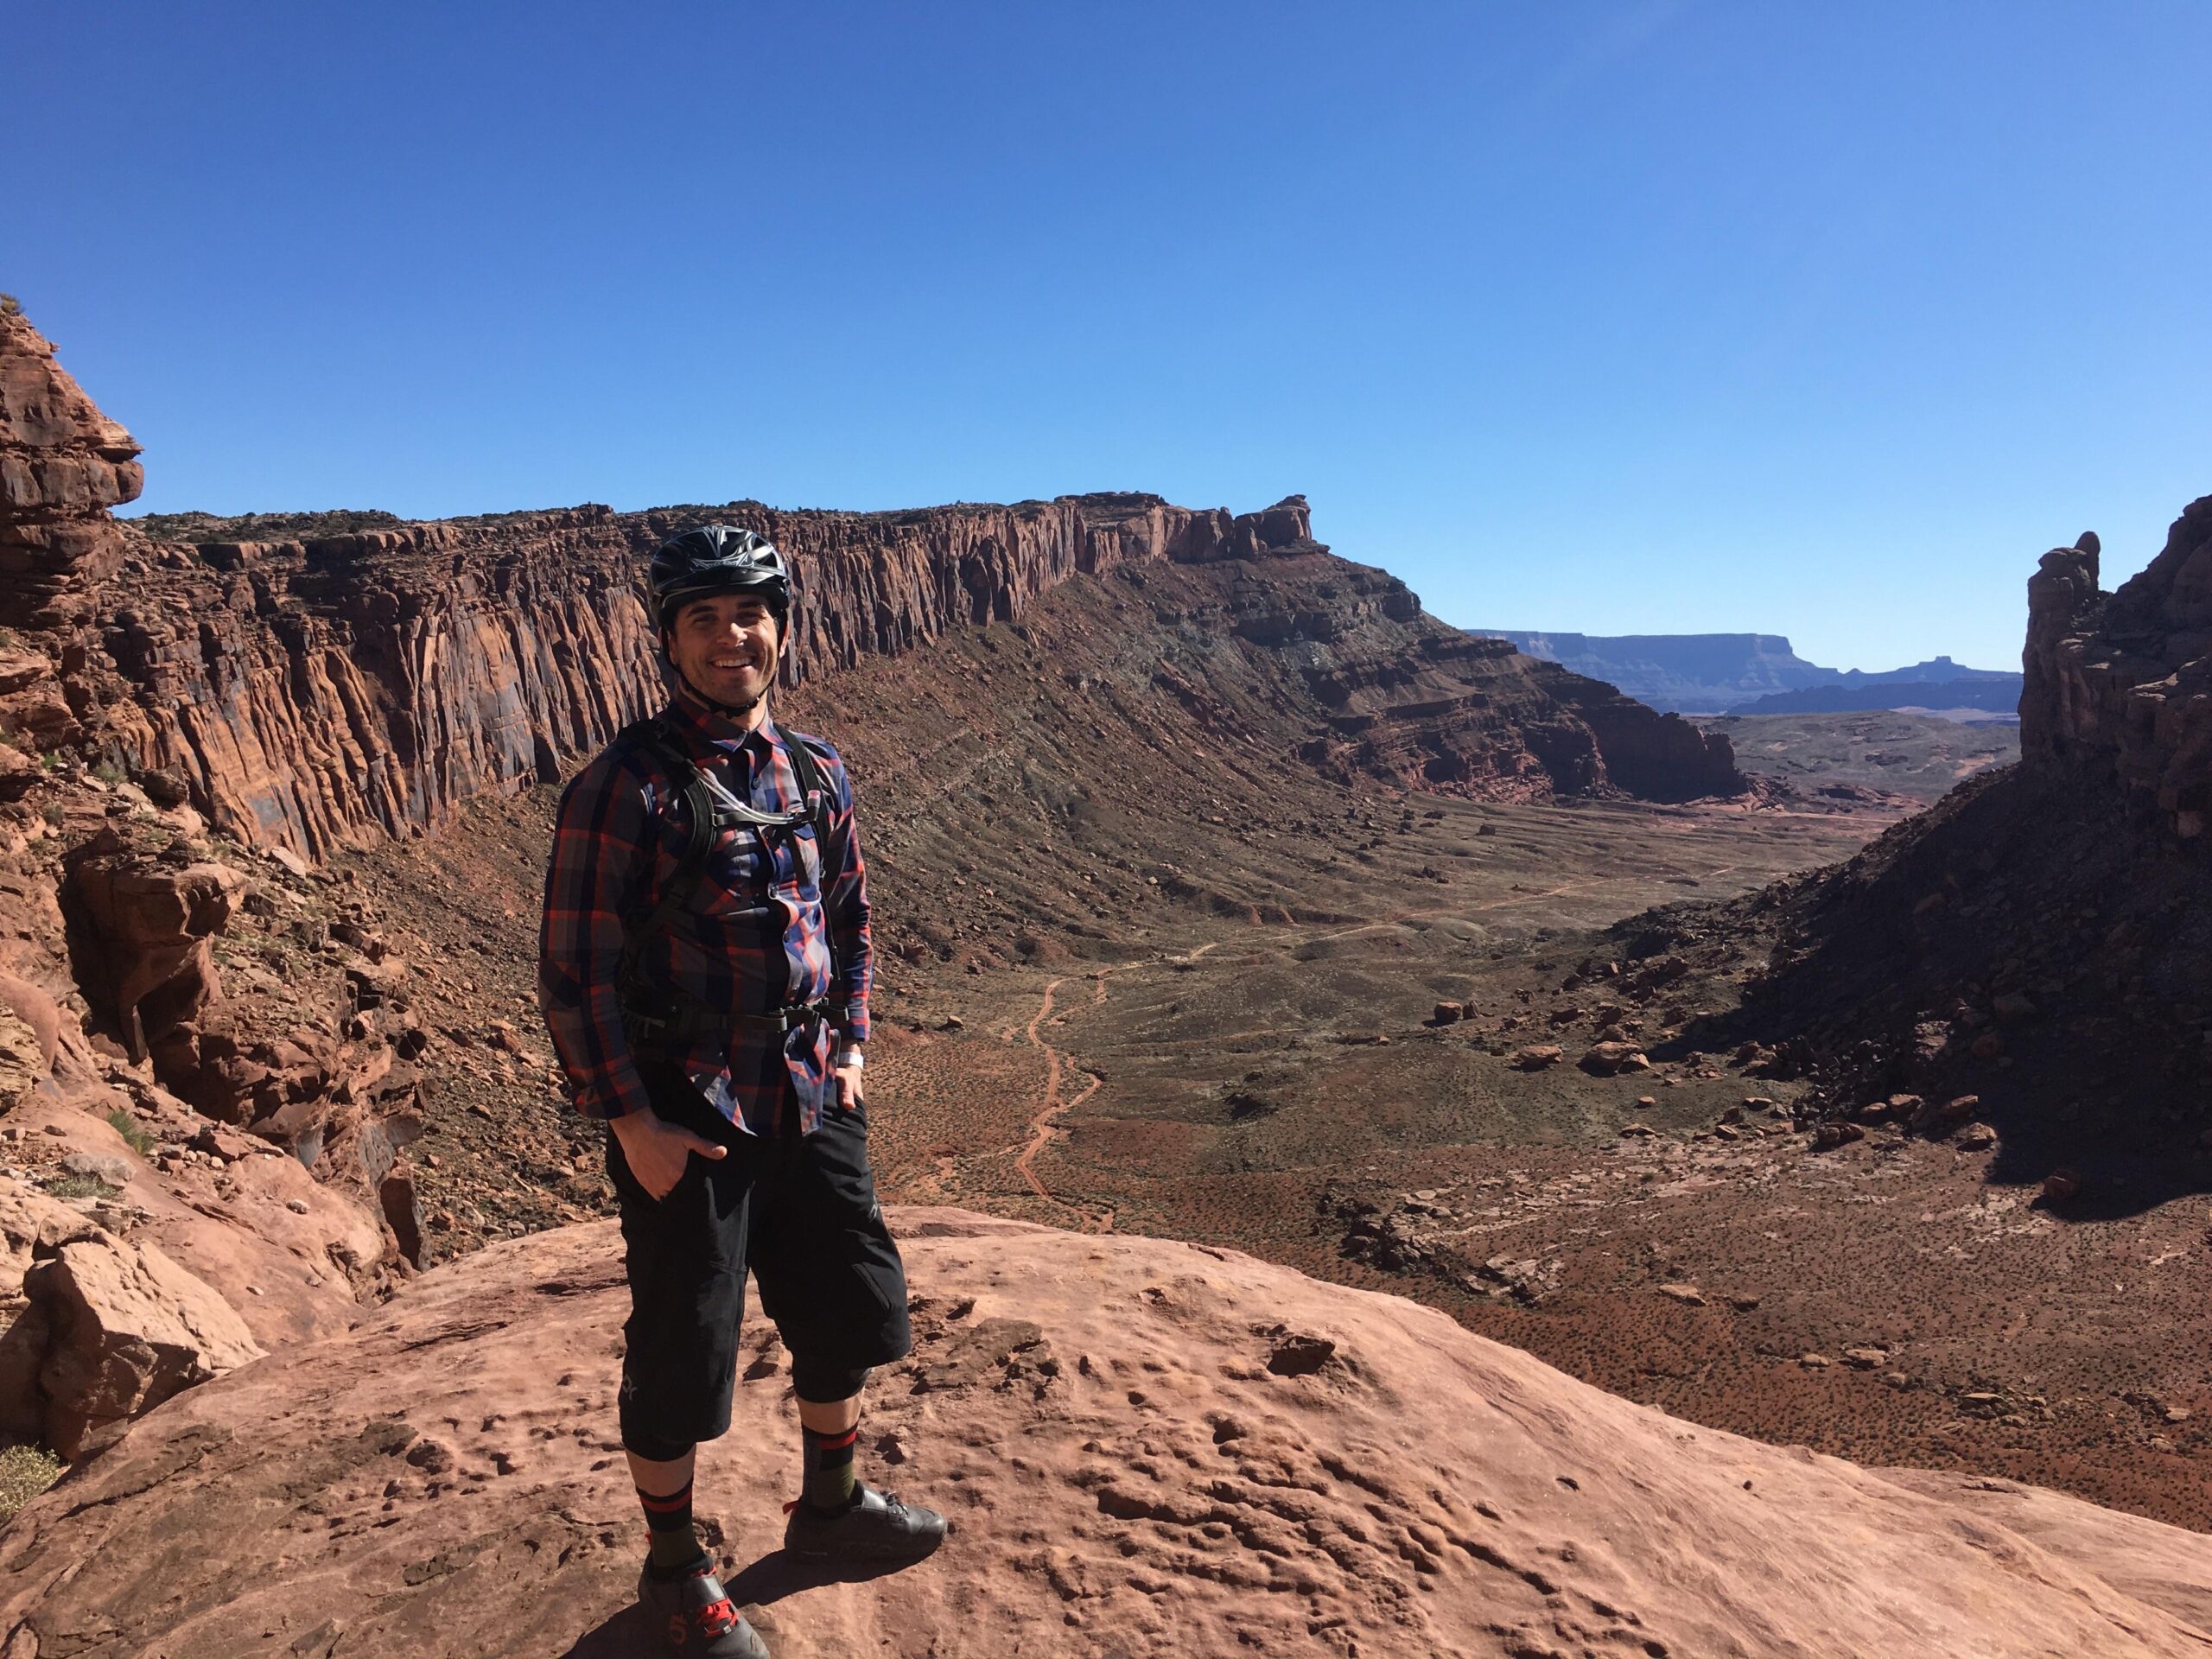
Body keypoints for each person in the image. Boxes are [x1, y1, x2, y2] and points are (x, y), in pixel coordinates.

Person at [540, 525, 945, 1658]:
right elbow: (576, 972)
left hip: (811, 1095)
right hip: (695, 1118)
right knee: (683, 1349)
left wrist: (852, 1046)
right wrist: (631, 1121)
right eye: (706, 617)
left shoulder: (816, 769)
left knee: (844, 1308)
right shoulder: (622, 787)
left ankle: (831, 1506)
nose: (734, 636)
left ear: (781, 625)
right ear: (670, 638)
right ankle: (674, 1573)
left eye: (751, 613)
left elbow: (855, 919)